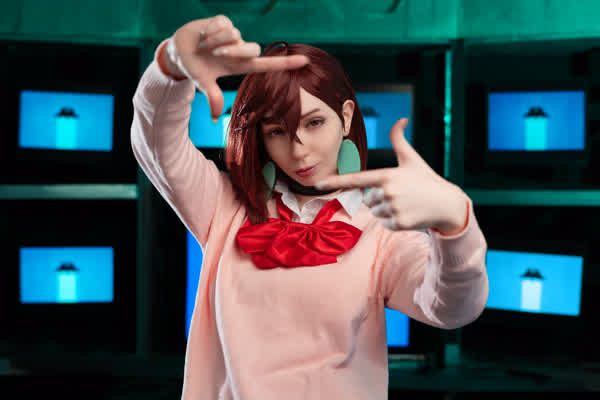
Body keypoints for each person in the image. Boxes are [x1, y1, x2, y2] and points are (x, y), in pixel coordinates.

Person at [130, 15, 489, 400]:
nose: (299, 149)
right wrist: (169, 68)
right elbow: (157, 148)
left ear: (345, 117)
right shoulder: (223, 205)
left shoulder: (382, 229)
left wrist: (455, 223)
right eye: (277, 131)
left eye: (314, 122)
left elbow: (450, 309)